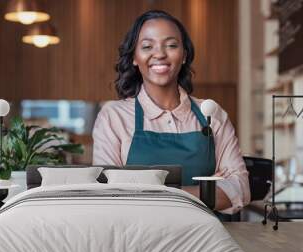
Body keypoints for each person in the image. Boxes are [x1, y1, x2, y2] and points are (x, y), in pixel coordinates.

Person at [92, 10, 250, 215]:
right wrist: (206, 193)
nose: (159, 54)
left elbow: (240, 189)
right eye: (147, 46)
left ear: (184, 55)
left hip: (205, 241)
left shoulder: (211, 113)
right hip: (137, 240)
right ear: (134, 57)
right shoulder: (113, 116)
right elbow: (109, 194)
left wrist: (151, 193)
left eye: (171, 45)